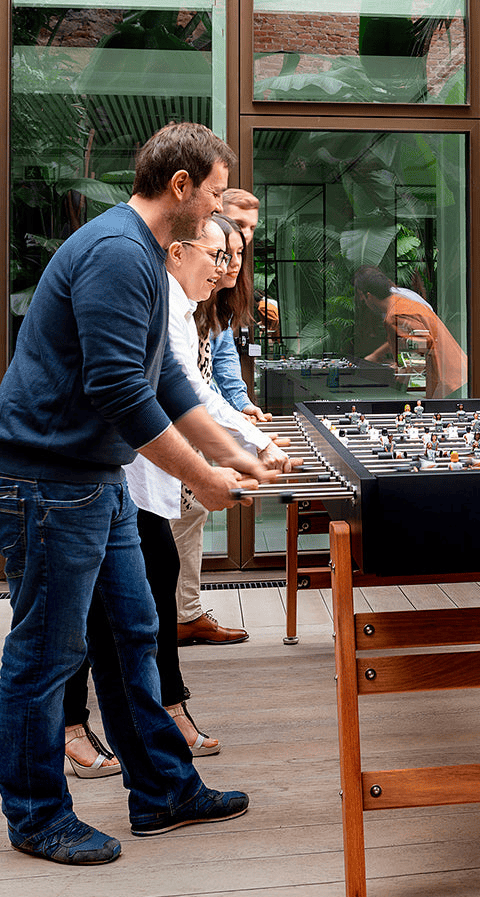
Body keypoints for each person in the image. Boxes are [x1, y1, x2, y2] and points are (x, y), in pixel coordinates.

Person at [0, 122, 272, 866]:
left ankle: (163, 790)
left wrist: (236, 456)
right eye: (215, 194)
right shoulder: (119, 254)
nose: (219, 213)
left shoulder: (143, 256)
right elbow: (118, 388)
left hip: (96, 479)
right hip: (51, 479)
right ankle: (36, 817)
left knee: (131, 634)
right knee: (44, 655)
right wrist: (201, 477)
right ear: (180, 187)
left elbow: (167, 380)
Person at [172, 215, 294, 646]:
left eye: (237, 254)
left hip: (192, 432)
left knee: (189, 519)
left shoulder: (205, 304)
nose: (229, 265)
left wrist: (245, 427)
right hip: (165, 441)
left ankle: (183, 616)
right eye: (221, 254)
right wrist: (248, 448)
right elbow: (192, 390)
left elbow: (210, 379)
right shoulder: (175, 304)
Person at [355, 266, 467, 398]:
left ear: (369, 296)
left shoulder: (396, 316)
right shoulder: (402, 303)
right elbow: (411, 342)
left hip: (448, 383)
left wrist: (410, 384)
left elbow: (422, 346)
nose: (364, 304)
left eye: (362, 299)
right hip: (456, 374)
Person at [209, 188, 271, 424]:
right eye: (237, 224)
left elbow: (223, 354)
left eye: (251, 228)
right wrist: (229, 417)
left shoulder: (227, 289)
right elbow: (191, 381)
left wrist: (241, 404)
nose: (245, 234)